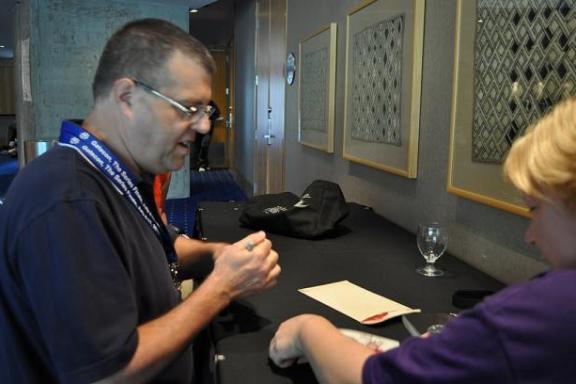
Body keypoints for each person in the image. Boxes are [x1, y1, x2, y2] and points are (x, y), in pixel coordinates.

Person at [0, 19, 280, 383]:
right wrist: (221, 287)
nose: (204, 127)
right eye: (187, 108)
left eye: (205, 111)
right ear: (127, 97)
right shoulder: (67, 200)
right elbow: (108, 373)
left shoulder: (115, 172)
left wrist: (215, 255)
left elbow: (149, 247)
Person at [269, 96, 576, 383]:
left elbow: (366, 376)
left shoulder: (544, 311)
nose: (530, 235)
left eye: (535, 210)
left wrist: (306, 329)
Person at [191, 99, 220, 171]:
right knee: (196, 146)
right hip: (196, 129)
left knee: (204, 145)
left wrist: (209, 117)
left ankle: (203, 164)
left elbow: (217, 113)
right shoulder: (195, 103)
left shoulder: (211, 103)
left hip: (207, 129)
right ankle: (196, 165)